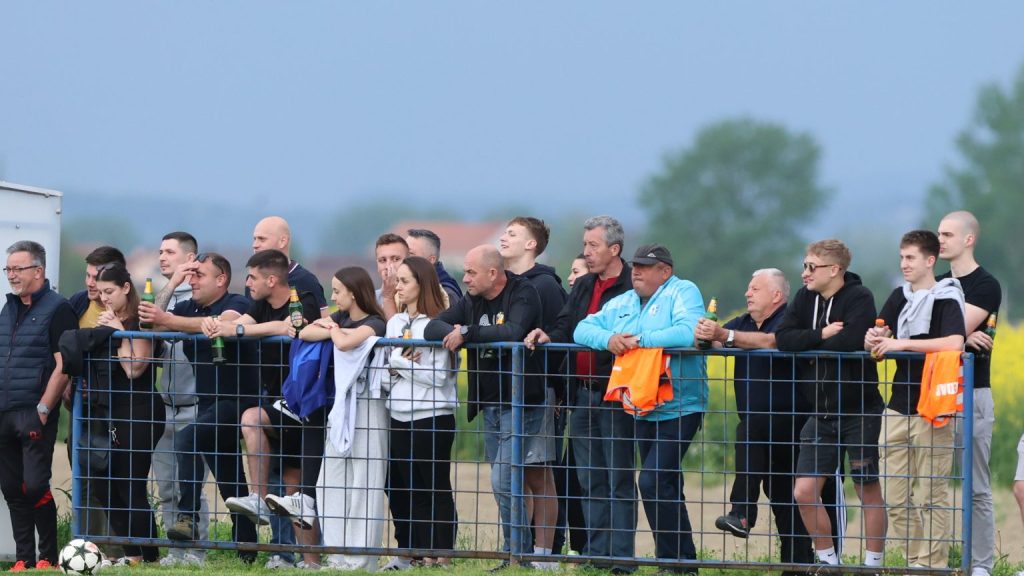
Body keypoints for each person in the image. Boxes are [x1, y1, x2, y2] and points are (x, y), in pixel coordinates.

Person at [698, 269, 842, 575]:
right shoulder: (742, 323)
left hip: (795, 427)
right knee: (783, 501)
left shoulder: (791, 320)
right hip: (763, 434)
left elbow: (774, 342)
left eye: (755, 289)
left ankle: (742, 512)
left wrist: (726, 337)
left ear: (776, 295)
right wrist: (705, 337)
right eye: (748, 289)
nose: (747, 294)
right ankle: (795, 565)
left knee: (791, 492)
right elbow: (719, 342)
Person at [574, 244, 707, 572]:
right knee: (666, 483)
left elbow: (688, 331)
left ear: (665, 271)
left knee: (651, 481)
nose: (637, 272)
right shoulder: (624, 301)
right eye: (635, 266)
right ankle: (680, 562)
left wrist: (637, 339)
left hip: (681, 405)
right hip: (641, 405)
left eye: (645, 267)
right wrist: (610, 341)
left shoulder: (683, 291)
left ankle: (673, 560)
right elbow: (581, 329)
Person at [524, 216, 636, 569]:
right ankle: (596, 554)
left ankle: (621, 558)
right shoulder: (585, 285)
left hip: (616, 392)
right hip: (583, 394)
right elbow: (566, 324)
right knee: (589, 479)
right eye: (585, 244)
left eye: (593, 245)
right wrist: (548, 335)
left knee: (618, 479)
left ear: (614, 249)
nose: (586, 251)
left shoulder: (634, 285)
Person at [425, 245, 545, 568]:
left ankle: (518, 553)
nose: (465, 279)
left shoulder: (523, 292)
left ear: (493, 273)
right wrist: (457, 331)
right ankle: (515, 554)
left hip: (522, 402)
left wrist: (466, 332)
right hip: (490, 403)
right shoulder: (471, 299)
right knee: (504, 482)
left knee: (503, 480)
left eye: (470, 272)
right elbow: (432, 326)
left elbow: (514, 331)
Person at [141, 252, 261, 563]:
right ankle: (247, 550)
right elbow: (150, 323)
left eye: (199, 275)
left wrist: (170, 321)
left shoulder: (237, 302)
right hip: (208, 404)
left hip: (238, 402)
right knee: (231, 481)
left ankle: (187, 517)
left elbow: (223, 324)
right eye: (191, 276)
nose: (193, 281)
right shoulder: (188, 307)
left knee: (186, 438)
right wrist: (174, 280)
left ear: (221, 280)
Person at [777, 239, 886, 570]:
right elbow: (783, 339)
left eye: (812, 267)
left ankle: (872, 565)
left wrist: (809, 344)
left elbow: (851, 340)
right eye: (804, 265)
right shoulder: (804, 297)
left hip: (860, 411)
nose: (804, 273)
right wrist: (821, 335)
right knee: (804, 491)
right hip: (820, 413)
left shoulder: (860, 297)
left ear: (835, 269)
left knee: (866, 487)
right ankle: (828, 563)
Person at [210, 250, 323, 568]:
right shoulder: (259, 304)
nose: (247, 283)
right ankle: (311, 563)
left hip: (302, 404)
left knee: (251, 418)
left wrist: (238, 331)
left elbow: (287, 327)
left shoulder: (301, 299)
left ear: (272, 280)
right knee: (293, 487)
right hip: (278, 402)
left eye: (252, 277)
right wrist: (218, 325)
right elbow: (242, 323)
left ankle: (258, 500)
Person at [866, 230, 965, 570]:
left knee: (931, 497)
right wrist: (874, 338)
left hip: (933, 408)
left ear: (930, 260)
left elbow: (954, 343)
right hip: (897, 407)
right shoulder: (899, 296)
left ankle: (931, 566)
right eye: (901, 257)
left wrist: (901, 344)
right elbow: (880, 336)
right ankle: (915, 562)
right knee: (894, 499)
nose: (904, 264)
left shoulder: (947, 298)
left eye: (910, 258)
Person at [76, 263, 166, 565]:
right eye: (101, 293)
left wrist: (119, 331)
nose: (104, 298)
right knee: (103, 486)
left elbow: (133, 368)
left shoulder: (141, 320)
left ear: (126, 288)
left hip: (140, 409)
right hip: (109, 410)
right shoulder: (108, 320)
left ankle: (149, 557)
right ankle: (132, 553)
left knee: (130, 484)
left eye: (110, 291)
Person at [250, 216, 328, 568]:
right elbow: (250, 321)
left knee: (295, 482)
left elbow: (302, 330)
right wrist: (231, 326)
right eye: (253, 238)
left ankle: (310, 558)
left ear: (283, 241)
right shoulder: (259, 287)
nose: (254, 243)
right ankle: (285, 553)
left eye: (261, 238)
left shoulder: (304, 283)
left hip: (301, 397)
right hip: (273, 392)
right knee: (283, 479)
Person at [302, 267, 388, 571]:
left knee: (365, 481)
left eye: (338, 291)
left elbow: (345, 343)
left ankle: (360, 558)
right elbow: (305, 332)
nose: (333, 296)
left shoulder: (376, 322)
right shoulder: (342, 318)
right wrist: (333, 328)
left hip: (368, 406)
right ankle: (337, 553)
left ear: (353, 292)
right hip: (342, 407)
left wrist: (332, 329)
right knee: (329, 481)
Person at [0, 241, 76, 571]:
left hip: (34, 412)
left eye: (18, 268)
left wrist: (44, 408)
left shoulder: (59, 309)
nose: (11, 275)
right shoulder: (8, 309)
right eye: (8, 269)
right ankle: (24, 559)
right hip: (4, 411)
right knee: (11, 488)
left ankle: (48, 556)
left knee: (34, 486)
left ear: (38, 270)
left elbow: (64, 365)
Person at [935, 211, 1002, 576]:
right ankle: (932, 560)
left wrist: (953, 334)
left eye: (947, 234)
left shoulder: (986, 285)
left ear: (968, 239)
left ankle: (981, 566)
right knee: (930, 485)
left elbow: (949, 328)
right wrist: (957, 338)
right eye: (938, 234)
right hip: (936, 393)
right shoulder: (937, 283)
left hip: (972, 392)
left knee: (976, 486)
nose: (939, 240)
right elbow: (920, 331)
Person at [383, 256, 459, 570]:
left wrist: (399, 363)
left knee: (435, 485)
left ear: (422, 284)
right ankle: (421, 551)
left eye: (404, 281)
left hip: (432, 414)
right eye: (397, 281)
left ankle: (444, 553)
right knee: (410, 486)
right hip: (399, 413)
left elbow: (439, 376)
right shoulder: (394, 323)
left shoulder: (436, 324)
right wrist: (400, 365)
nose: (397, 287)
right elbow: (384, 372)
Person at [499, 217, 565, 566]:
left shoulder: (546, 285)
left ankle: (543, 554)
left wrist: (557, 389)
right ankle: (518, 548)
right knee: (515, 474)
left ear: (531, 244)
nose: (503, 238)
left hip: (539, 391)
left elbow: (559, 336)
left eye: (512, 234)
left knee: (538, 471)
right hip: (508, 391)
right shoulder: (504, 284)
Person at [141, 231, 210, 567]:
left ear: (190, 258)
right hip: (164, 407)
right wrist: (170, 285)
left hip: (195, 406)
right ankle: (175, 551)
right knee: (167, 487)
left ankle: (197, 551)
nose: (162, 257)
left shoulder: (200, 296)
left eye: (169, 252)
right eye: (160, 251)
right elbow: (149, 324)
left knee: (190, 487)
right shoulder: (164, 295)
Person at [63, 245, 127, 560]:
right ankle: (87, 547)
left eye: (97, 278)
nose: (90, 283)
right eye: (87, 276)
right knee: (84, 477)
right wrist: (67, 382)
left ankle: (122, 549)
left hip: (118, 408)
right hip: (81, 406)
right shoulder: (77, 303)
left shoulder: (129, 312)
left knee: (116, 479)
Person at [406, 228, 463, 307]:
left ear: (431, 260)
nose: (403, 259)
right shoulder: (402, 286)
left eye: (410, 254)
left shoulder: (445, 296)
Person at [375, 233, 411, 320]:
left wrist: (388, 297)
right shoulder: (369, 300)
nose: (388, 266)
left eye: (396, 259)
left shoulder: (417, 297)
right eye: (382, 260)